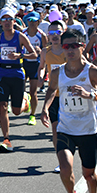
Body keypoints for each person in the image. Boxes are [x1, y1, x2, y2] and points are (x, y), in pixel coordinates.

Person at [41, 28, 97, 193]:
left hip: (88, 130)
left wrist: (92, 96)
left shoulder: (92, 71)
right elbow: (51, 90)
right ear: (62, 48)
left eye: (74, 45)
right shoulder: (57, 72)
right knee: (65, 168)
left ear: (83, 47)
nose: (70, 50)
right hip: (65, 128)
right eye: (67, 46)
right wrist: (45, 108)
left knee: (88, 175)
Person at [0, 7, 36, 152]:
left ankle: (26, 100)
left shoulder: (20, 36)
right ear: (0, 21)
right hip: (2, 74)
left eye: (9, 19)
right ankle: (6, 138)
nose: (6, 22)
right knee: (3, 106)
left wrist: (20, 56)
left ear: (14, 20)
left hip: (17, 74)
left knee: (16, 111)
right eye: (3, 19)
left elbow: (34, 54)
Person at [38, 20, 67, 173]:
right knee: (56, 130)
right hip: (54, 95)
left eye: (58, 32)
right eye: (51, 33)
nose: (54, 36)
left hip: (69, 95)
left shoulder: (69, 51)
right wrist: (41, 77)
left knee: (69, 130)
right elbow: (42, 67)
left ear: (63, 33)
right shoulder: (45, 52)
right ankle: (61, 161)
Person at [22, 11, 48, 126]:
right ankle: (24, 100)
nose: (32, 23)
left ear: (38, 22)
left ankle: (32, 115)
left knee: (33, 92)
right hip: (23, 63)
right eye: (30, 20)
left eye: (34, 21)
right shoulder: (22, 33)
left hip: (35, 65)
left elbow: (46, 53)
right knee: (19, 89)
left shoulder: (42, 35)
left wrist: (39, 52)